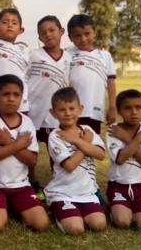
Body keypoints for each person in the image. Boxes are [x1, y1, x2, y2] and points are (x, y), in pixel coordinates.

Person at [0, 74, 50, 233]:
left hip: (20, 184)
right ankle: (3, 205)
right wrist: (17, 144)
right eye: (5, 94)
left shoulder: (27, 122)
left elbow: (32, 161)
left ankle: (13, 205)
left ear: (21, 98)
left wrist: (8, 142)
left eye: (16, 95)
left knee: (41, 224)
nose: (11, 99)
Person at [44, 87, 106, 235]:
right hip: (63, 192)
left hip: (87, 192)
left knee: (99, 225)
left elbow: (100, 154)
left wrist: (78, 141)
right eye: (61, 110)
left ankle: (79, 211)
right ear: (53, 112)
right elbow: (70, 165)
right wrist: (83, 143)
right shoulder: (55, 136)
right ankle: (58, 210)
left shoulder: (87, 131)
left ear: (80, 109)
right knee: (76, 229)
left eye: (72, 108)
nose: (67, 113)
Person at [27, 15, 71, 198]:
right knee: (30, 152)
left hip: (54, 115)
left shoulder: (69, 57)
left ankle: (57, 183)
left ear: (61, 31)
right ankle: (30, 183)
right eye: (43, 33)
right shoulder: (33, 55)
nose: (48, 35)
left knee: (56, 151)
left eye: (52, 30)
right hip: (32, 112)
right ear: (39, 37)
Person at [106, 89, 141, 230]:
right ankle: (116, 209)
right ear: (119, 111)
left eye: (138, 107)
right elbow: (120, 159)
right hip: (118, 185)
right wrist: (138, 139)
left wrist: (128, 139)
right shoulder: (113, 130)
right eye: (127, 108)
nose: (133, 112)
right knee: (122, 222)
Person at [67, 14, 116, 135]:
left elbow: (111, 82)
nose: (83, 39)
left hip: (95, 111)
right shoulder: (67, 54)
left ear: (94, 33)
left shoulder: (104, 56)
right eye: (77, 35)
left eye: (87, 34)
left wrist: (112, 107)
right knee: (72, 145)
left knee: (90, 146)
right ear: (70, 37)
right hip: (72, 111)